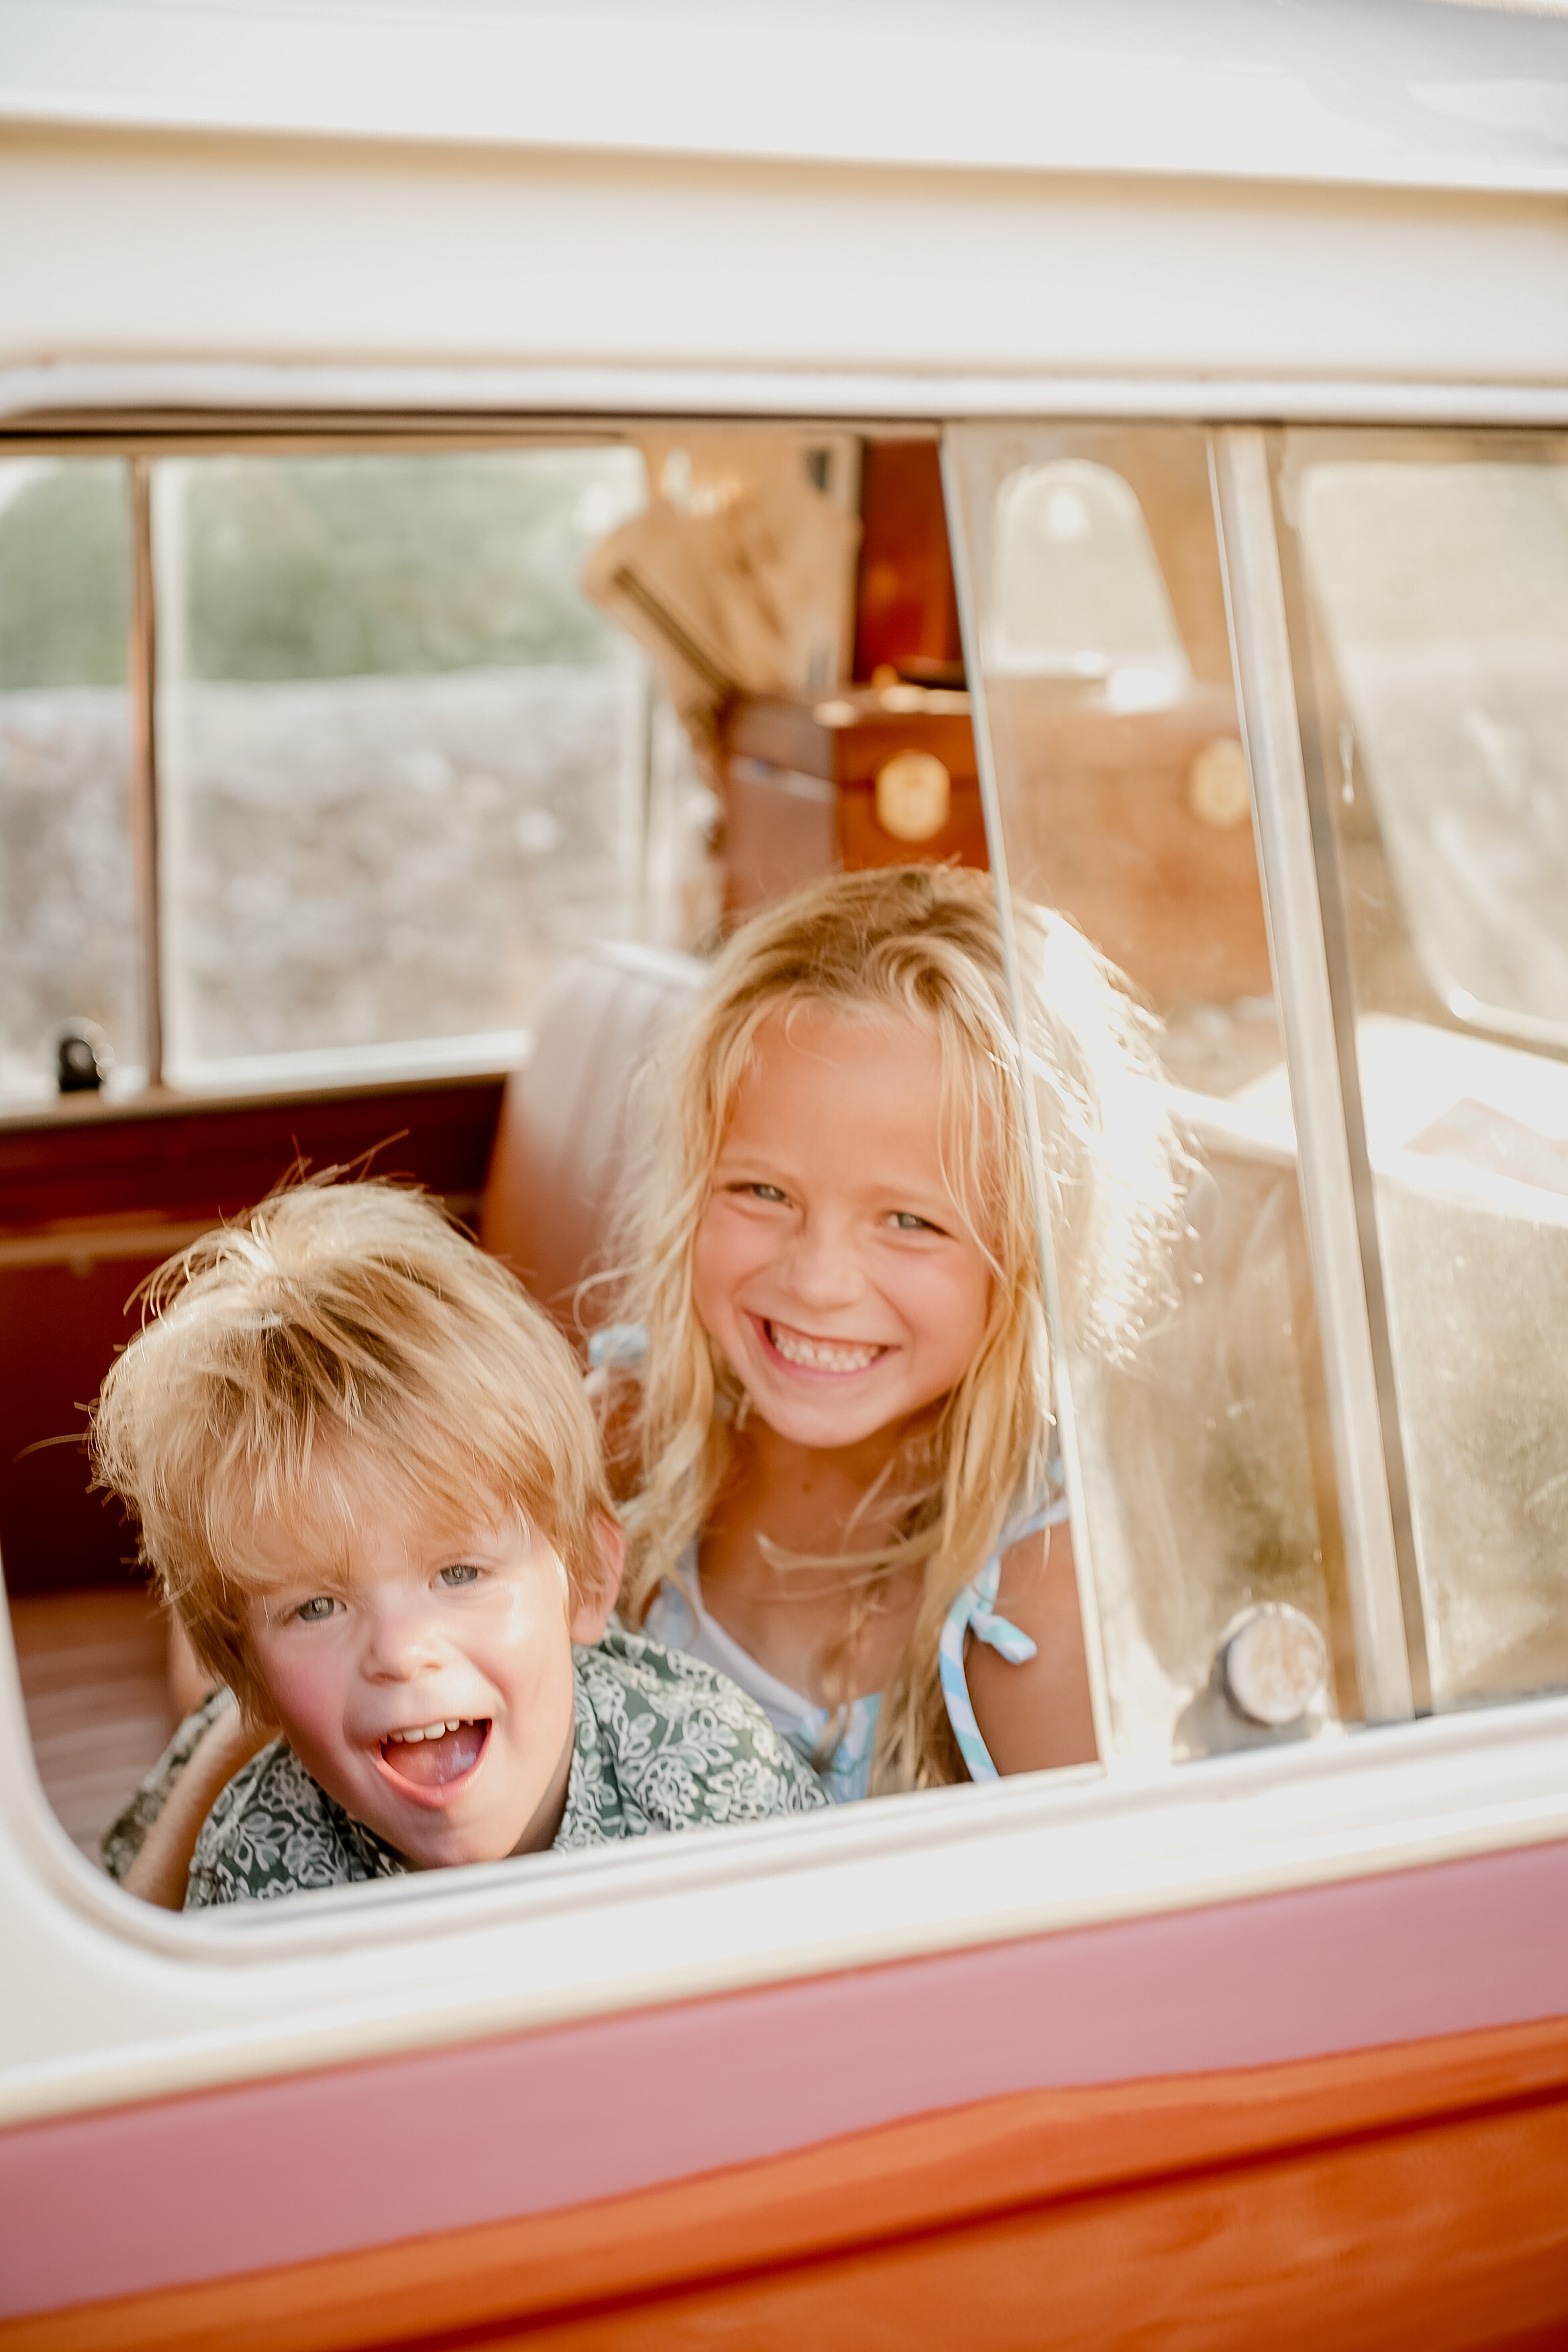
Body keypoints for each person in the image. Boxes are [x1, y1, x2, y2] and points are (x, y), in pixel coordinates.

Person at [603, 864, 1187, 1801]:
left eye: (911, 1221)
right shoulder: (629, 1433)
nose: (818, 1281)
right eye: (762, 1191)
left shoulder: (1030, 1606)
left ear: (1034, 1251)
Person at [94, 1180, 826, 1908]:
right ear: (252, 1681)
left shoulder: (716, 1779)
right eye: (318, 1606)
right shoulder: (255, 1868)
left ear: (589, 1581)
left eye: (459, 1573)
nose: (403, 1652)